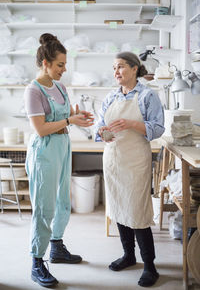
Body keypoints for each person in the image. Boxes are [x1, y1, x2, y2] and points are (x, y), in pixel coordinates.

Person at [24, 33, 94, 288]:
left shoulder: (60, 87)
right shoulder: (33, 90)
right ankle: (36, 261)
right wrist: (69, 121)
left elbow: (65, 117)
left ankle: (56, 247)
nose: (64, 70)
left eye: (65, 64)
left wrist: (77, 116)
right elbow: (41, 129)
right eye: (60, 65)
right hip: (45, 150)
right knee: (44, 207)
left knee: (64, 201)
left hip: (64, 145)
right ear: (45, 63)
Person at [94, 52, 165, 288]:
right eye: (114, 68)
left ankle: (150, 265)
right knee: (118, 206)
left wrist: (132, 124)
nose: (116, 72)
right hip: (113, 158)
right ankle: (128, 255)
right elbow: (98, 125)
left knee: (137, 211)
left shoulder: (148, 95)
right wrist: (102, 133)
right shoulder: (111, 96)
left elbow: (157, 129)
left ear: (135, 69)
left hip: (135, 160)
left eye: (121, 67)